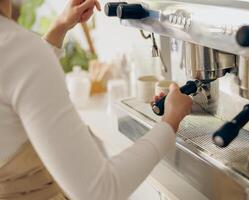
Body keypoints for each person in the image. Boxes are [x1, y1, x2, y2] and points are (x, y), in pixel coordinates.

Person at [0, 0, 193, 199]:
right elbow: (100, 191)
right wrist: (169, 123)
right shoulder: (17, 47)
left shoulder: (14, 48)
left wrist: (59, 27)